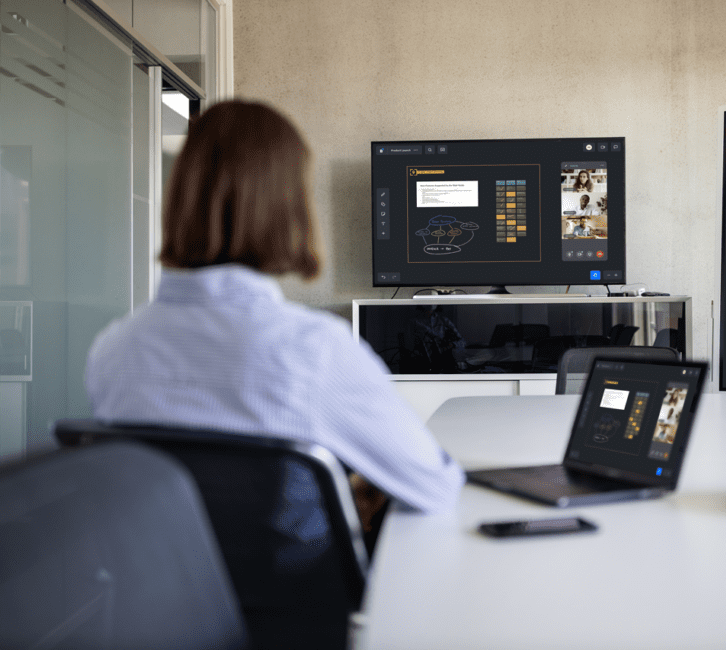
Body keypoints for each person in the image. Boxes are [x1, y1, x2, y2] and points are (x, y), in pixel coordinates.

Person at [85, 100, 464, 539]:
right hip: (303, 602)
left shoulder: (113, 350)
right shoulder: (314, 349)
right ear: (289, 208)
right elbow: (435, 487)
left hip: (165, 600)